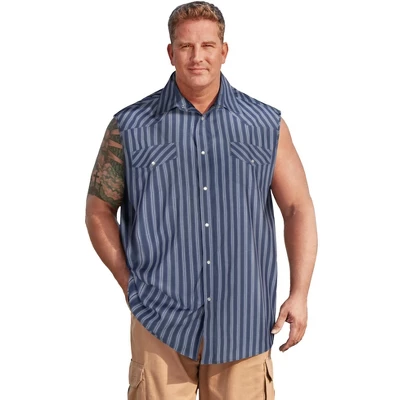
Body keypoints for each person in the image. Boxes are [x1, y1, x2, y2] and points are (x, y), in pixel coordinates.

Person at [85, 1, 318, 399]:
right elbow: (98, 210)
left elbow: (297, 208)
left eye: (208, 46)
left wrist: (300, 293)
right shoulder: (131, 126)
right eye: (186, 46)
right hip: (158, 319)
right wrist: (128, 283)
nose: (197, 56)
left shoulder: (265, 125)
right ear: (170, 52)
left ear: (224, 51)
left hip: (244, 322)